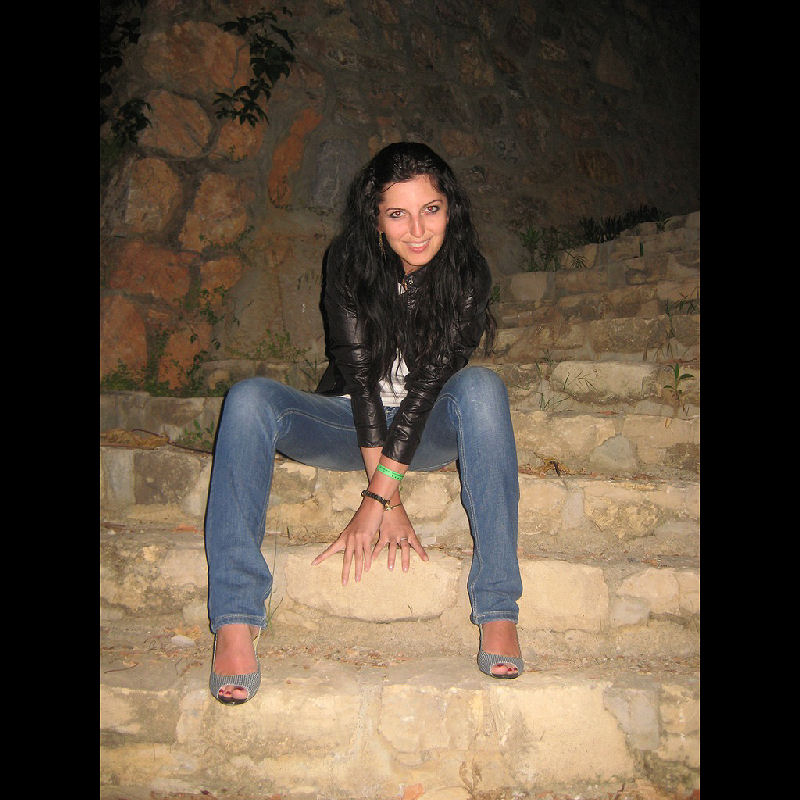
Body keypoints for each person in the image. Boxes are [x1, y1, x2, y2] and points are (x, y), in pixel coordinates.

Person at [205, 141, 524, 704]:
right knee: (249, 397)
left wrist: (377, 499)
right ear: (376, 220)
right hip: (350, 420)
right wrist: (388, 501)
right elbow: (359, 383)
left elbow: (426, 392)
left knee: (482, 388)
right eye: (398, 214)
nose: (418, 231)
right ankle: (235, 616)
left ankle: (498, 608)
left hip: (428, 426)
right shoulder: (349, 261)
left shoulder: (469, 272)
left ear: (450, 208)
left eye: (431, 209)